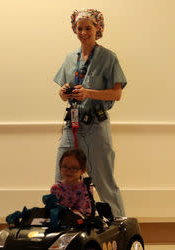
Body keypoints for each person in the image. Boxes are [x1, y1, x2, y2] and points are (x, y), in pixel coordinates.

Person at [53, 9, 127, 217]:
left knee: (104, 181)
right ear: (74, 29)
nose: (83, 32)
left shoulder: (108, 58)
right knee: (63, 177)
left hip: (96, 126)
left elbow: (117, 94)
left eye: (88, 28)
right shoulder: (70, 58)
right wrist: (63, 92)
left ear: (98, 29)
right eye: (79, 28)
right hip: (72, 126)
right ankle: (64, 225)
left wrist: (88, 93)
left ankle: (120, 226)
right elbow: (62, 95)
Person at [50, 149, 92, 218]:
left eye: (74, 168)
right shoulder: (56, 188)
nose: (68, 171)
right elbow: (53, 209)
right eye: (65, 167)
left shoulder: (86, 188)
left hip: (80, 223)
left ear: (83, 170)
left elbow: (85, 211)